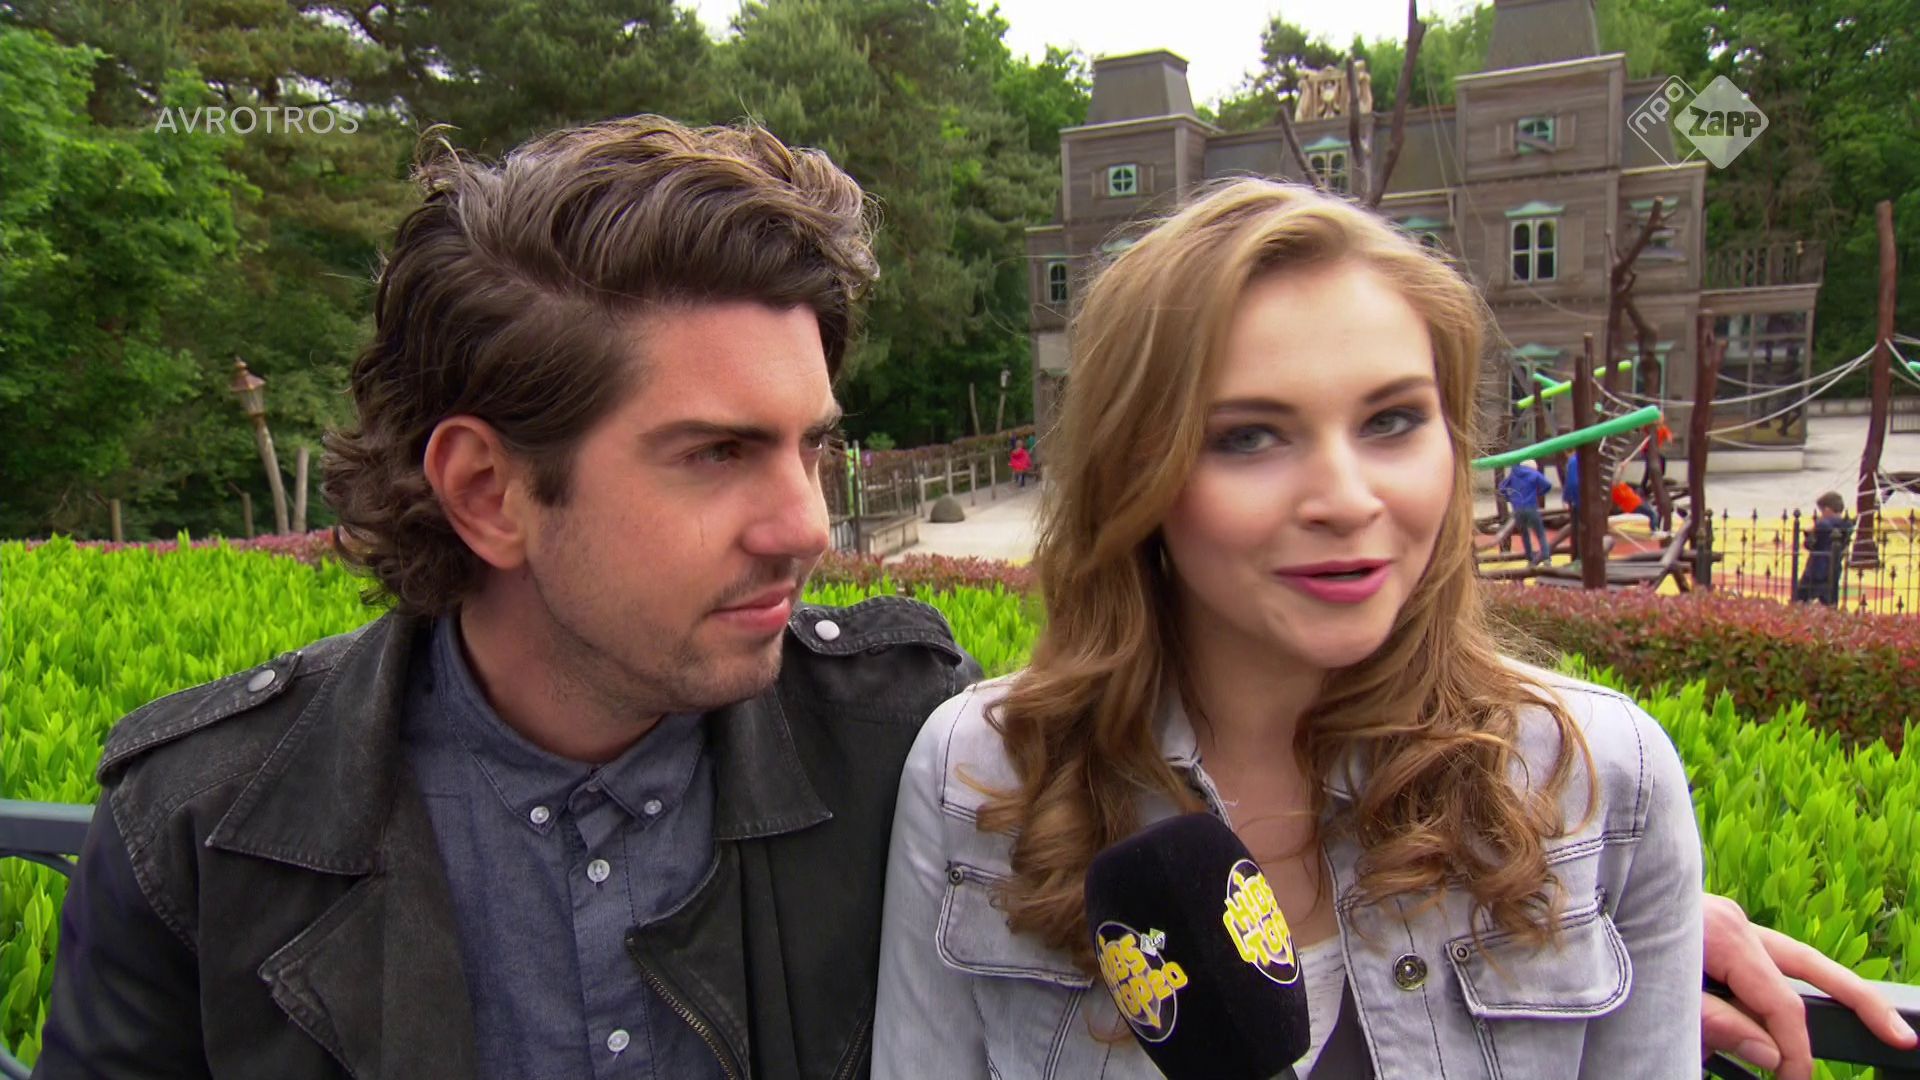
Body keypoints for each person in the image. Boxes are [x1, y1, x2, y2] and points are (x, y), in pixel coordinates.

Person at [872, 179, 1917, 1079]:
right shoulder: (981, 779)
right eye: (1248, 436)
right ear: (1133, 473)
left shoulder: (1601, 783)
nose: (1346, 497)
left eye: (1393, 421)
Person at [34, 117, 981, 1080]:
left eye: (811, 445)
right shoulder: (201, 834)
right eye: (716, 453)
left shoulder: (915, 747)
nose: (807, 526)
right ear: (487, 492)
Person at [1793, 491, 1852, 606]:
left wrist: (1809, 534)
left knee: (1799, 599)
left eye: (1822, 511)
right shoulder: (1846, 525)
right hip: (1834, 569)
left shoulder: (1822, 525)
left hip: (1816, 569)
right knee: (1829, 602)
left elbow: (1810, 544)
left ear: (1827, 509)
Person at [1497, 458, 1553, 564]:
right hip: (1531, 507)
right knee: (1540, 533)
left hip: (1517, 509)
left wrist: (1510, 498)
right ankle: (1546, 558)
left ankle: (1530, 558)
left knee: (1525, 535)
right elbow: (1547, 485)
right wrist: (1539, 493)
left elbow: (1501, 488)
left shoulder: (1514, 474)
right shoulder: (1534, 474)